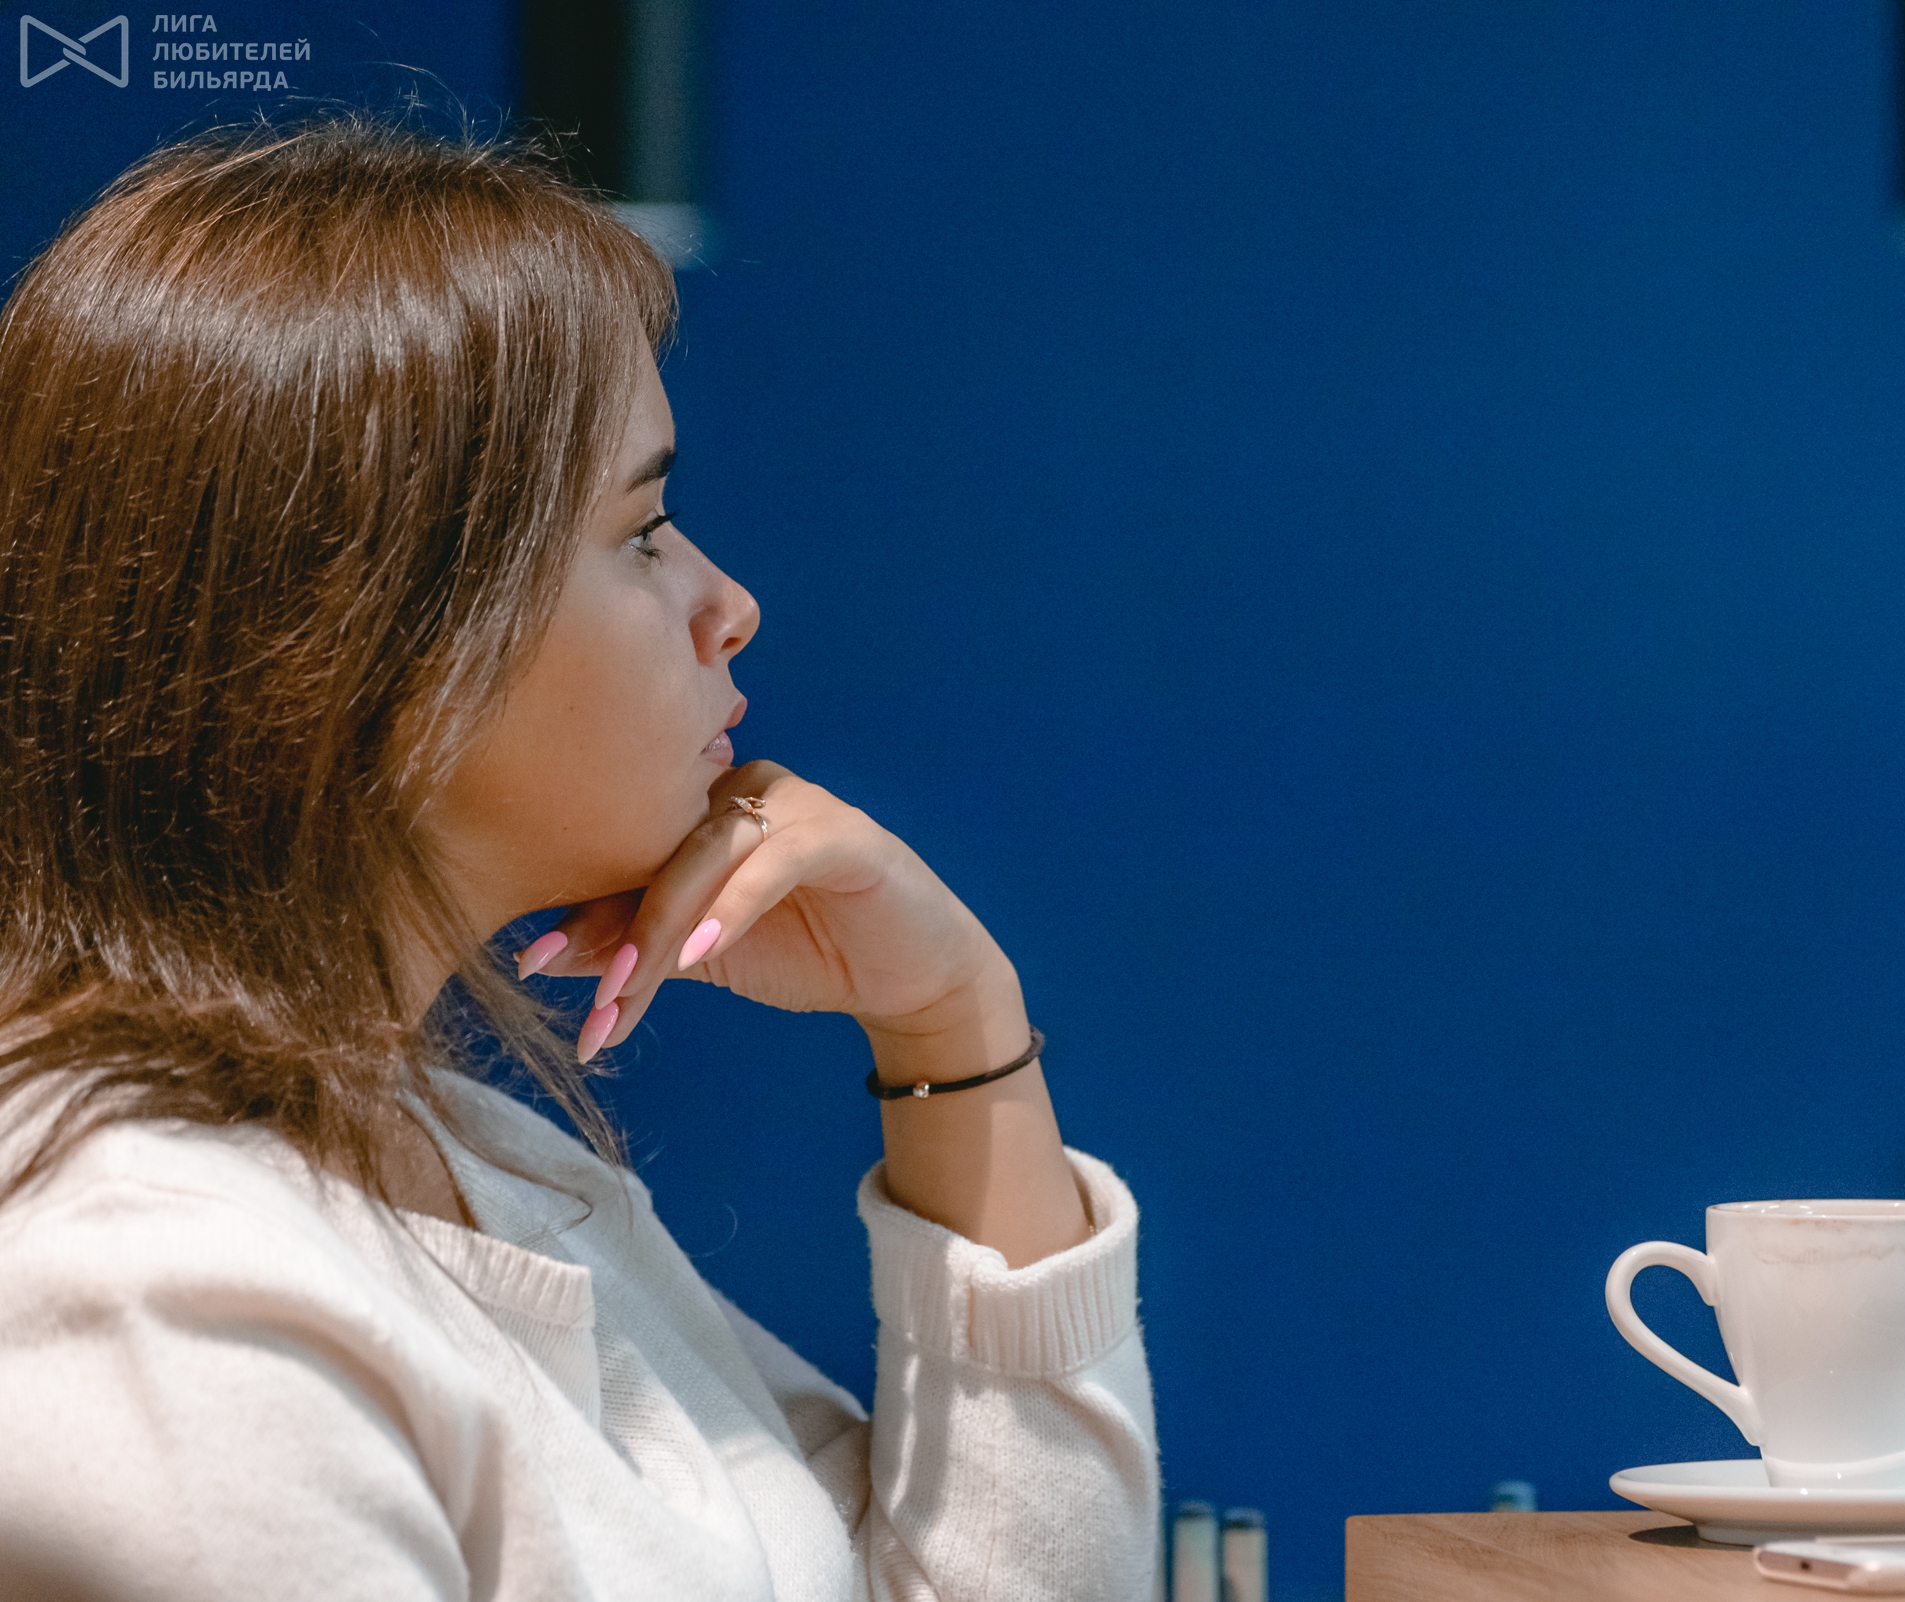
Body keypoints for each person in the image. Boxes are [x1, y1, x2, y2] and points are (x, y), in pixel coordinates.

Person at [0, 115, 1156, 1600]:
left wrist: (954, 1024)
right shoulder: (164, 1312)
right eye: (644, 532)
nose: (729, 604)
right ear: (364, 646)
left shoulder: (463, 1155)